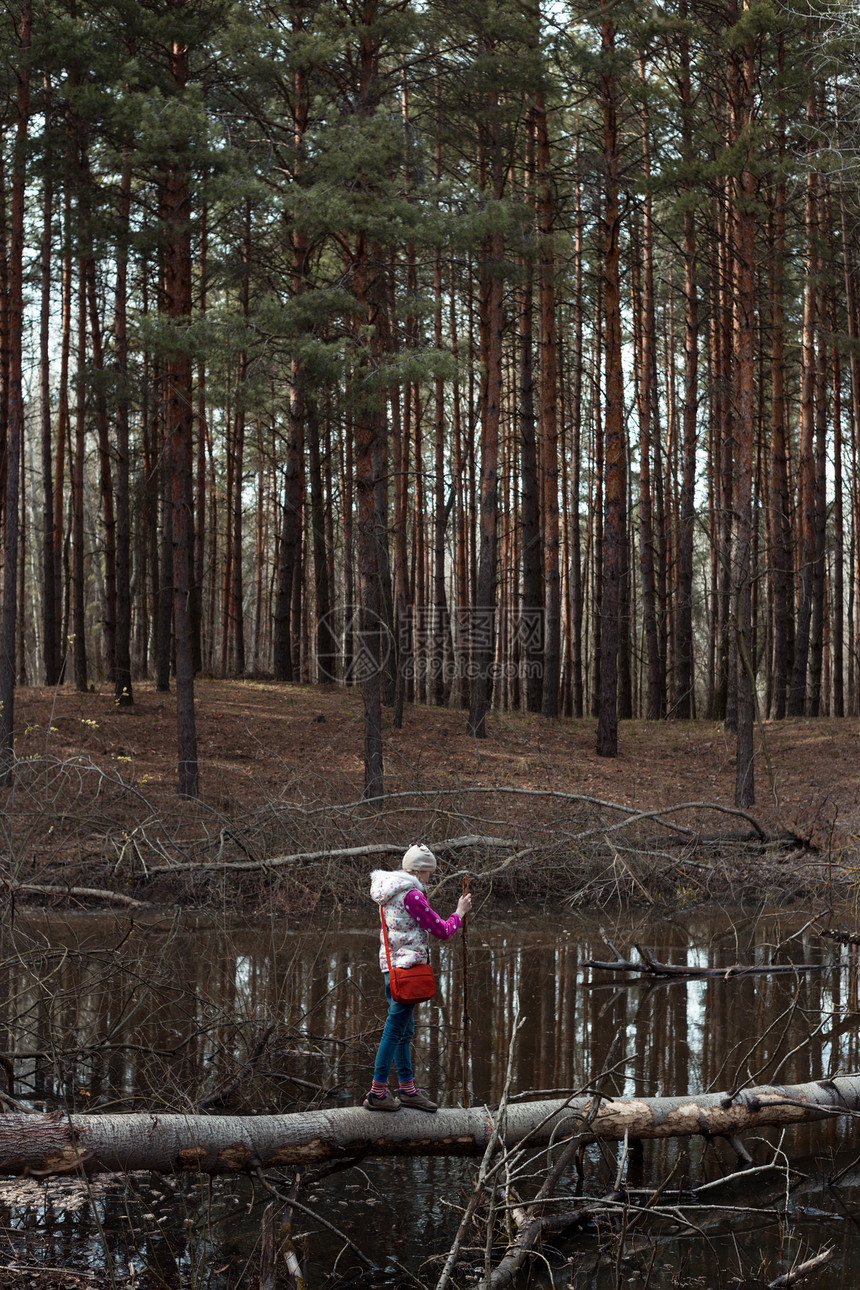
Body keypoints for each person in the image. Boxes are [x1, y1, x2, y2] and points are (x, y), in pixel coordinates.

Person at [364, 844, 472, 1113]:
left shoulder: (388, 891)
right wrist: (459, 912)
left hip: (392, 968)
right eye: (429, 873)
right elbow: (442, 930)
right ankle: (377, 1093)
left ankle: (407, 1089)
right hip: (408, 968)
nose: (430, 879)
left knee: (404, 1030)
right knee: (394, 1030)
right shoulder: (411, 896)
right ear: (420, 871)